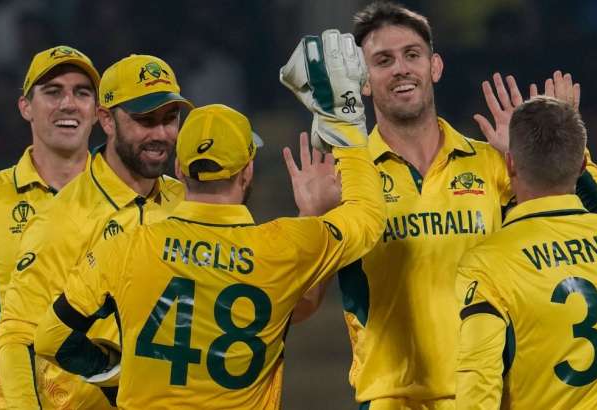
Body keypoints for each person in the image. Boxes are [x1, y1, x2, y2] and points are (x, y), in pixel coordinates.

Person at [30, 102, 385, 409]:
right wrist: (345, 128)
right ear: (247, 172)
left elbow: (50, 338)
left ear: (179, 170)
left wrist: (111, 370)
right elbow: (369, 217)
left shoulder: (127, 246)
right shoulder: (284, 248)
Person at [291, 3, 513, 409]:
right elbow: (301, 308)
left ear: (435, 67)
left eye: (412, 55)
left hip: (488, 396)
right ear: (363, 82)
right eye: (383, 60)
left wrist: (527, 169)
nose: (401, 69)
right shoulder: (345, 179)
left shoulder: (493, 164)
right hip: (390, 400)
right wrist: (314, 218)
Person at [0, 54, 192, 410]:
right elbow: (17, 336)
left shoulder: (187, 201)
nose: (160, 134)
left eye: (169, 119)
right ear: (107, 120)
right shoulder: (63, 217)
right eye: (145, 120)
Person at [455, 94, 597, 409]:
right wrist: (572, 140)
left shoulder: (488, 264)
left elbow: (478, 390)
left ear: (510, 163)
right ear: (582, 163)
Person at [0, 45, 100, 408]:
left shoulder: (131, 199)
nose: (68, 103)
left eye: (81, 93)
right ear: (25, 107)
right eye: (53, 92)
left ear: (98, 113)